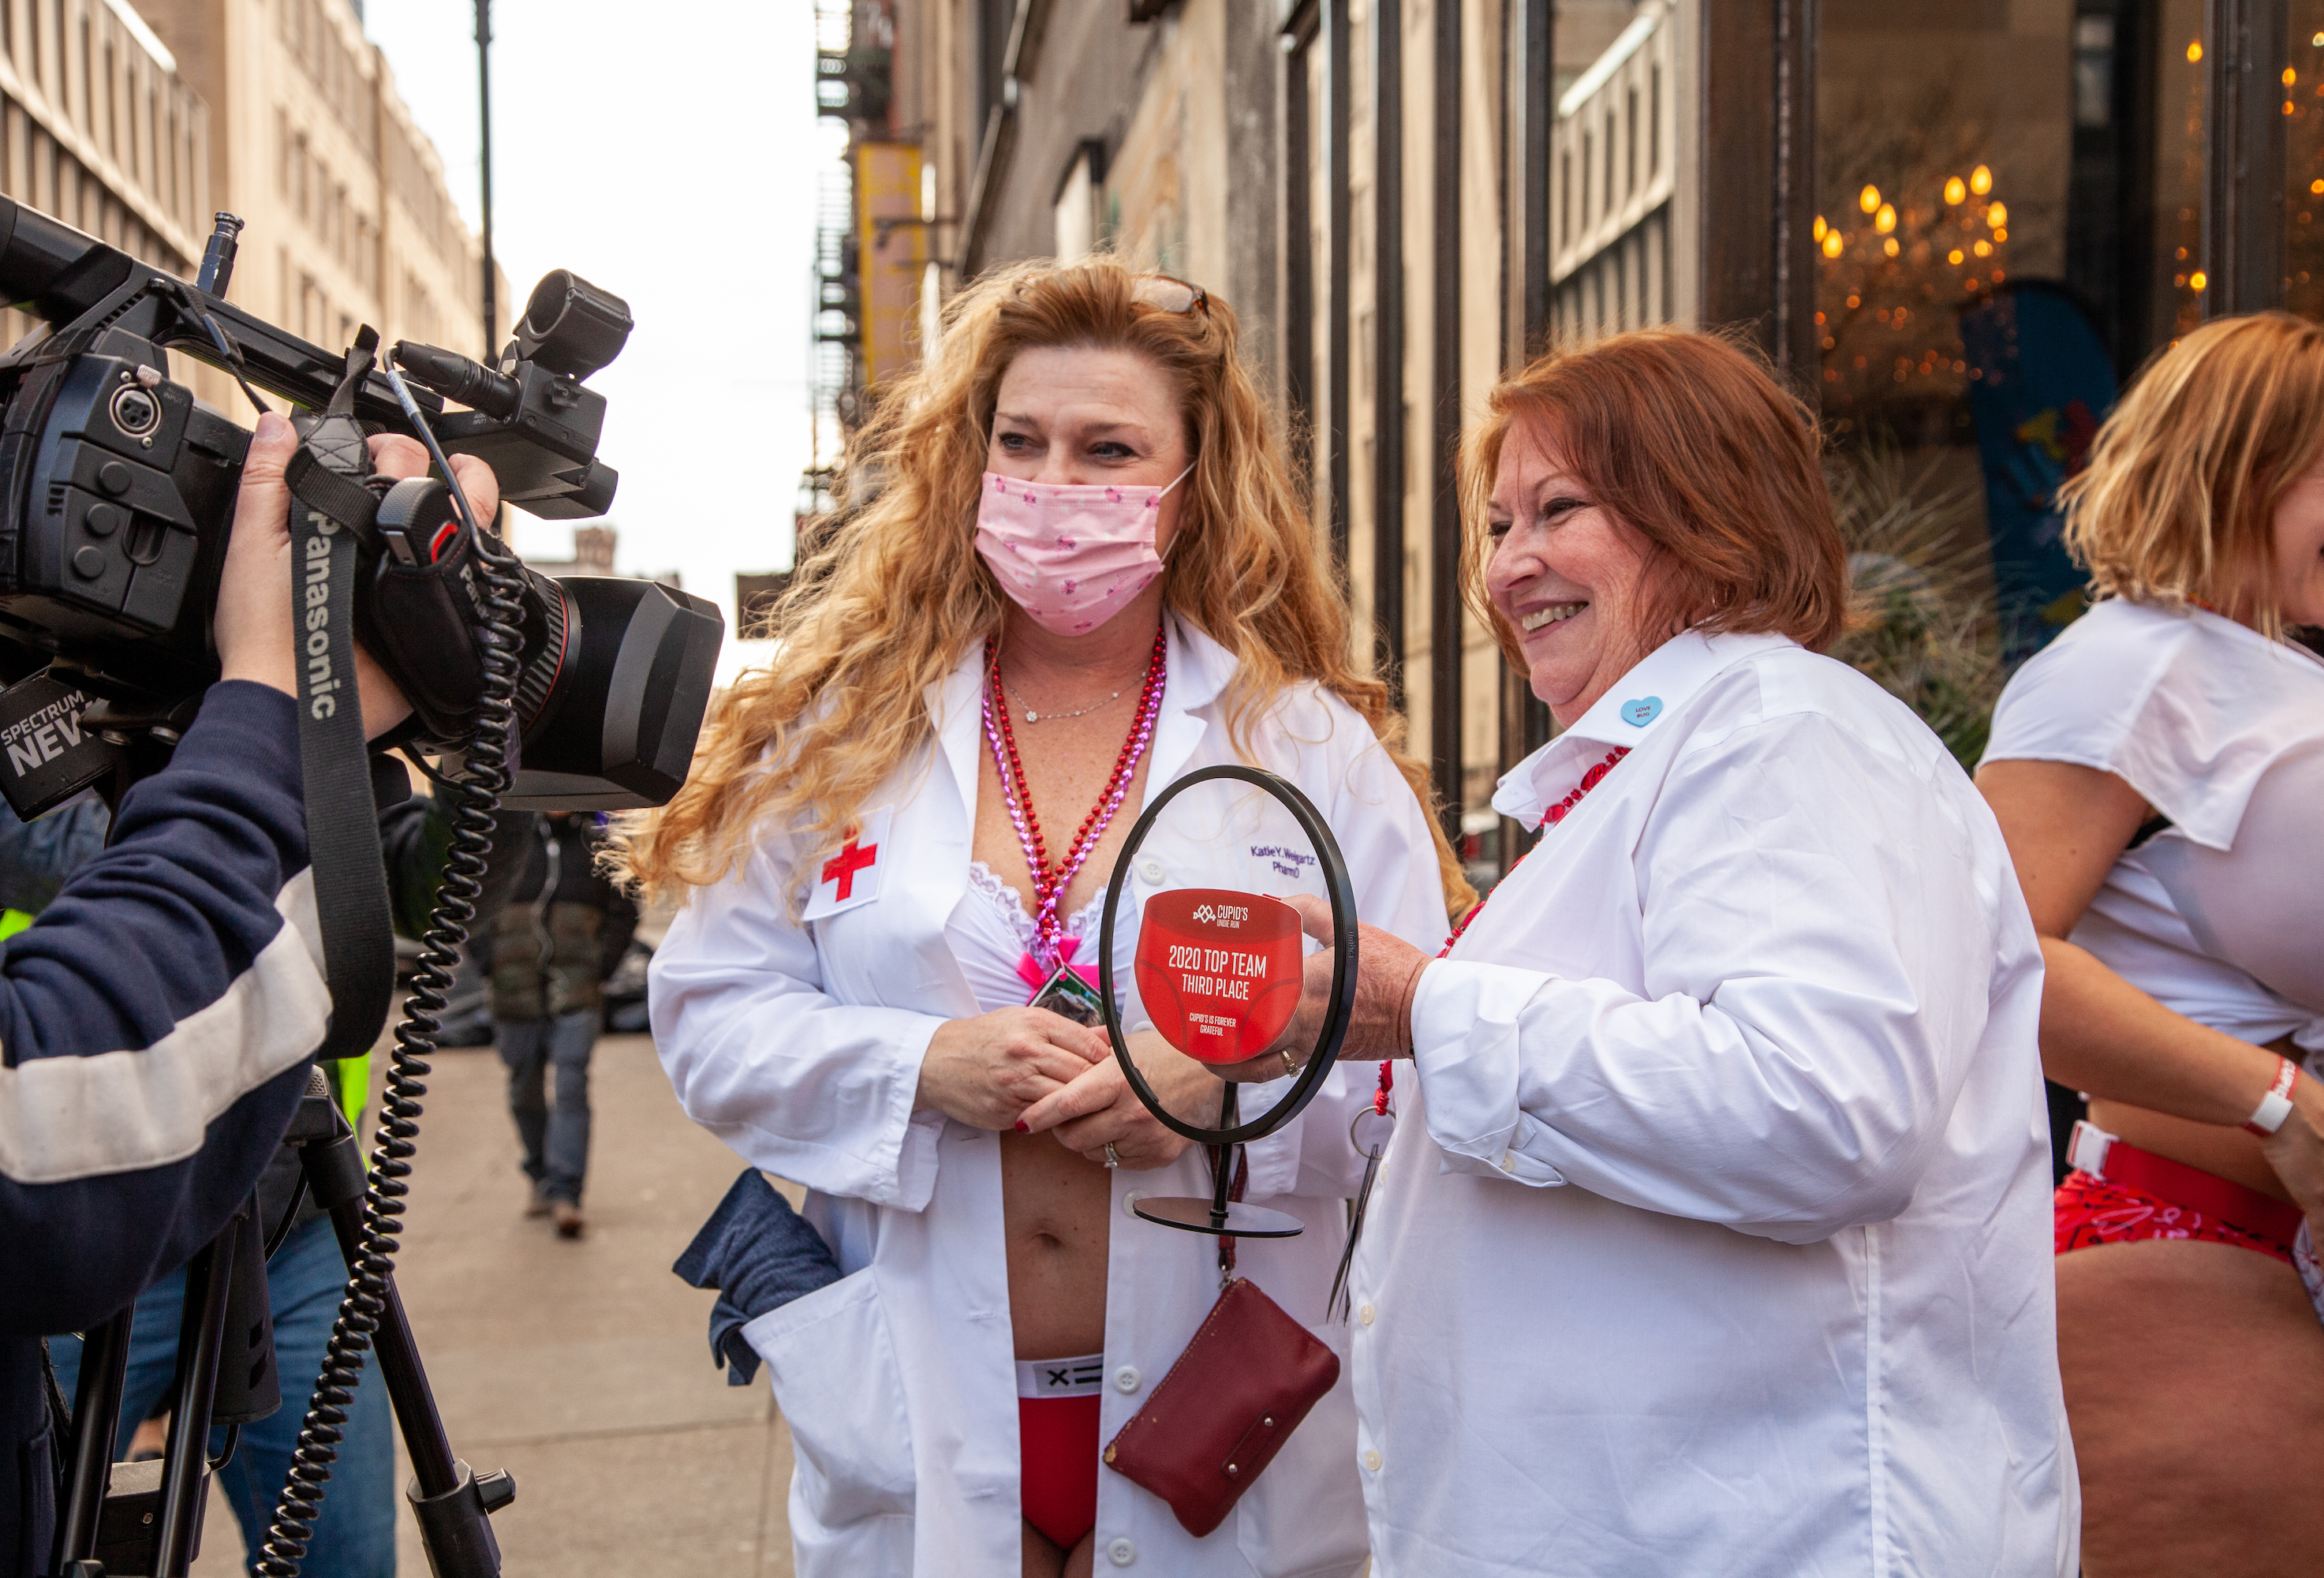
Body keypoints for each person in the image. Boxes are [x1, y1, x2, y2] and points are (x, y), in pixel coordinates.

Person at [630, 258, 1463, 1578]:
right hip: (920, 1413)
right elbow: (708, 1017)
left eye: (1108, 449)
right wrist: (917, 1067)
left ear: (1192, 491)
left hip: (1220, 1422)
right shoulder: (840, 737)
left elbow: (1417, 1062)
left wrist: (1225, 1084)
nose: (1056, 486)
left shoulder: (1307, 750)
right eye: (1020, 443)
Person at [1226, 329, 2076, 1575]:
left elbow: (1826, 1111)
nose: (1511, 565)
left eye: (1559, 511)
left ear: (1708, 511)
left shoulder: (1782, 735)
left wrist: (1425, 1006)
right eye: (1501, 522)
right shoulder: (1675, 757)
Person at [1, 413, 495, 1578]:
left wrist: (494, 782)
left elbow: (406, 884)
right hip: (107, 1209)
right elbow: (95, 861)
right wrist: (268, 711)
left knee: (346, 1559)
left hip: (297, 1212)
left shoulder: (245, 727)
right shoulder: (47, 736)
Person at [1974, 312, 2324, 1576]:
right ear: (2240, 463)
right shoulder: (2131, 667)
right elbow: (1987, 956)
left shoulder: (2280, 677)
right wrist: (2280, 1104)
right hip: (2193, 1262)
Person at [490, 809, 634, 1238]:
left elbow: (626, 908)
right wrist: (487, 962)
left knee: (572, 1086)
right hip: (512, 991)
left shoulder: (599, 841)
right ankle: (539, 1175)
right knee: (523, 1089)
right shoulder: (505, 836)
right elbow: (469, 903)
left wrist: (602, 966)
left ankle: (567, 1192)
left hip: (579, 993)